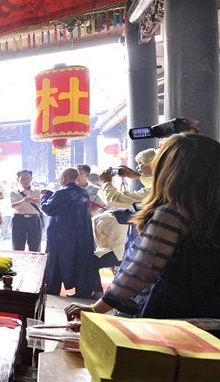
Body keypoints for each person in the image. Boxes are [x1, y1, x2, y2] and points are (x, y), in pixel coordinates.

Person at [66, 134, 220, 320]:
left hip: (175, 314)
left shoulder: (173, 213)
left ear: (169, 170)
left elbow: (140, 270)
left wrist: (96, 309)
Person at [40, 168, 102, 299]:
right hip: (81, 234)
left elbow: (48, 209)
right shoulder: (84, 192)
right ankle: (82, 291)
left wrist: (44, 197)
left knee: (56, 261)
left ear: (63, 178)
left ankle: (52, 288)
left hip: (61, 235)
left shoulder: (61, 193)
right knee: (80, 261)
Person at [10, 170, 43, 252]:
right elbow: (13, 205)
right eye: (23, 178)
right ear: (18, 180)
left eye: (27, 178)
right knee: (18, 246)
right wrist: (23, 201)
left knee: (35, 246)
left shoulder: (38, 191)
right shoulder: (14, 192)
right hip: (19, 219)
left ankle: (35, 263)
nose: (25, 181)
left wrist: (39, 202)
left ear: (31, 179)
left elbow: (43, 206)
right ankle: (18, 263)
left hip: (34, 219)